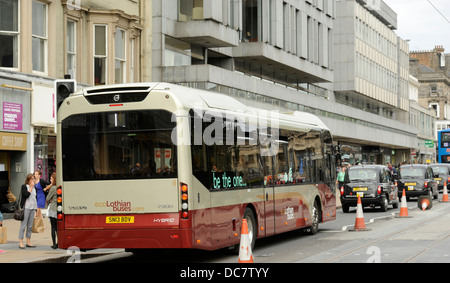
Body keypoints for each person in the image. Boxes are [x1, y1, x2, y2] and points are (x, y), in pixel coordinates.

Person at [18, 173, 37, 249]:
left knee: (29, 226)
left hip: (32, 208)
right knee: (23, 226)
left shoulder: (35, 188)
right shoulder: (24, 187)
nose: (33, 180)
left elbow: (34, 199)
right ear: (28, 180)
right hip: (26, 208)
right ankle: (21, 243)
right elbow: (26, 195)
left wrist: (36, 210)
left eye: (34, 179)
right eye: (32, 179)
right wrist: (31, 188)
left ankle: (28, 242)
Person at [46, 172, 58, 249]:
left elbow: (47, 198)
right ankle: (58, 243)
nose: (50, 179)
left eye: (51, 178)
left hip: (53, 208)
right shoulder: (58, 186)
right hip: (57, 208)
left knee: (53, 227)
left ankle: (54, 244)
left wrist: (50, 199)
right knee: (57, 227)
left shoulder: (53, 188)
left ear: (54, 179)